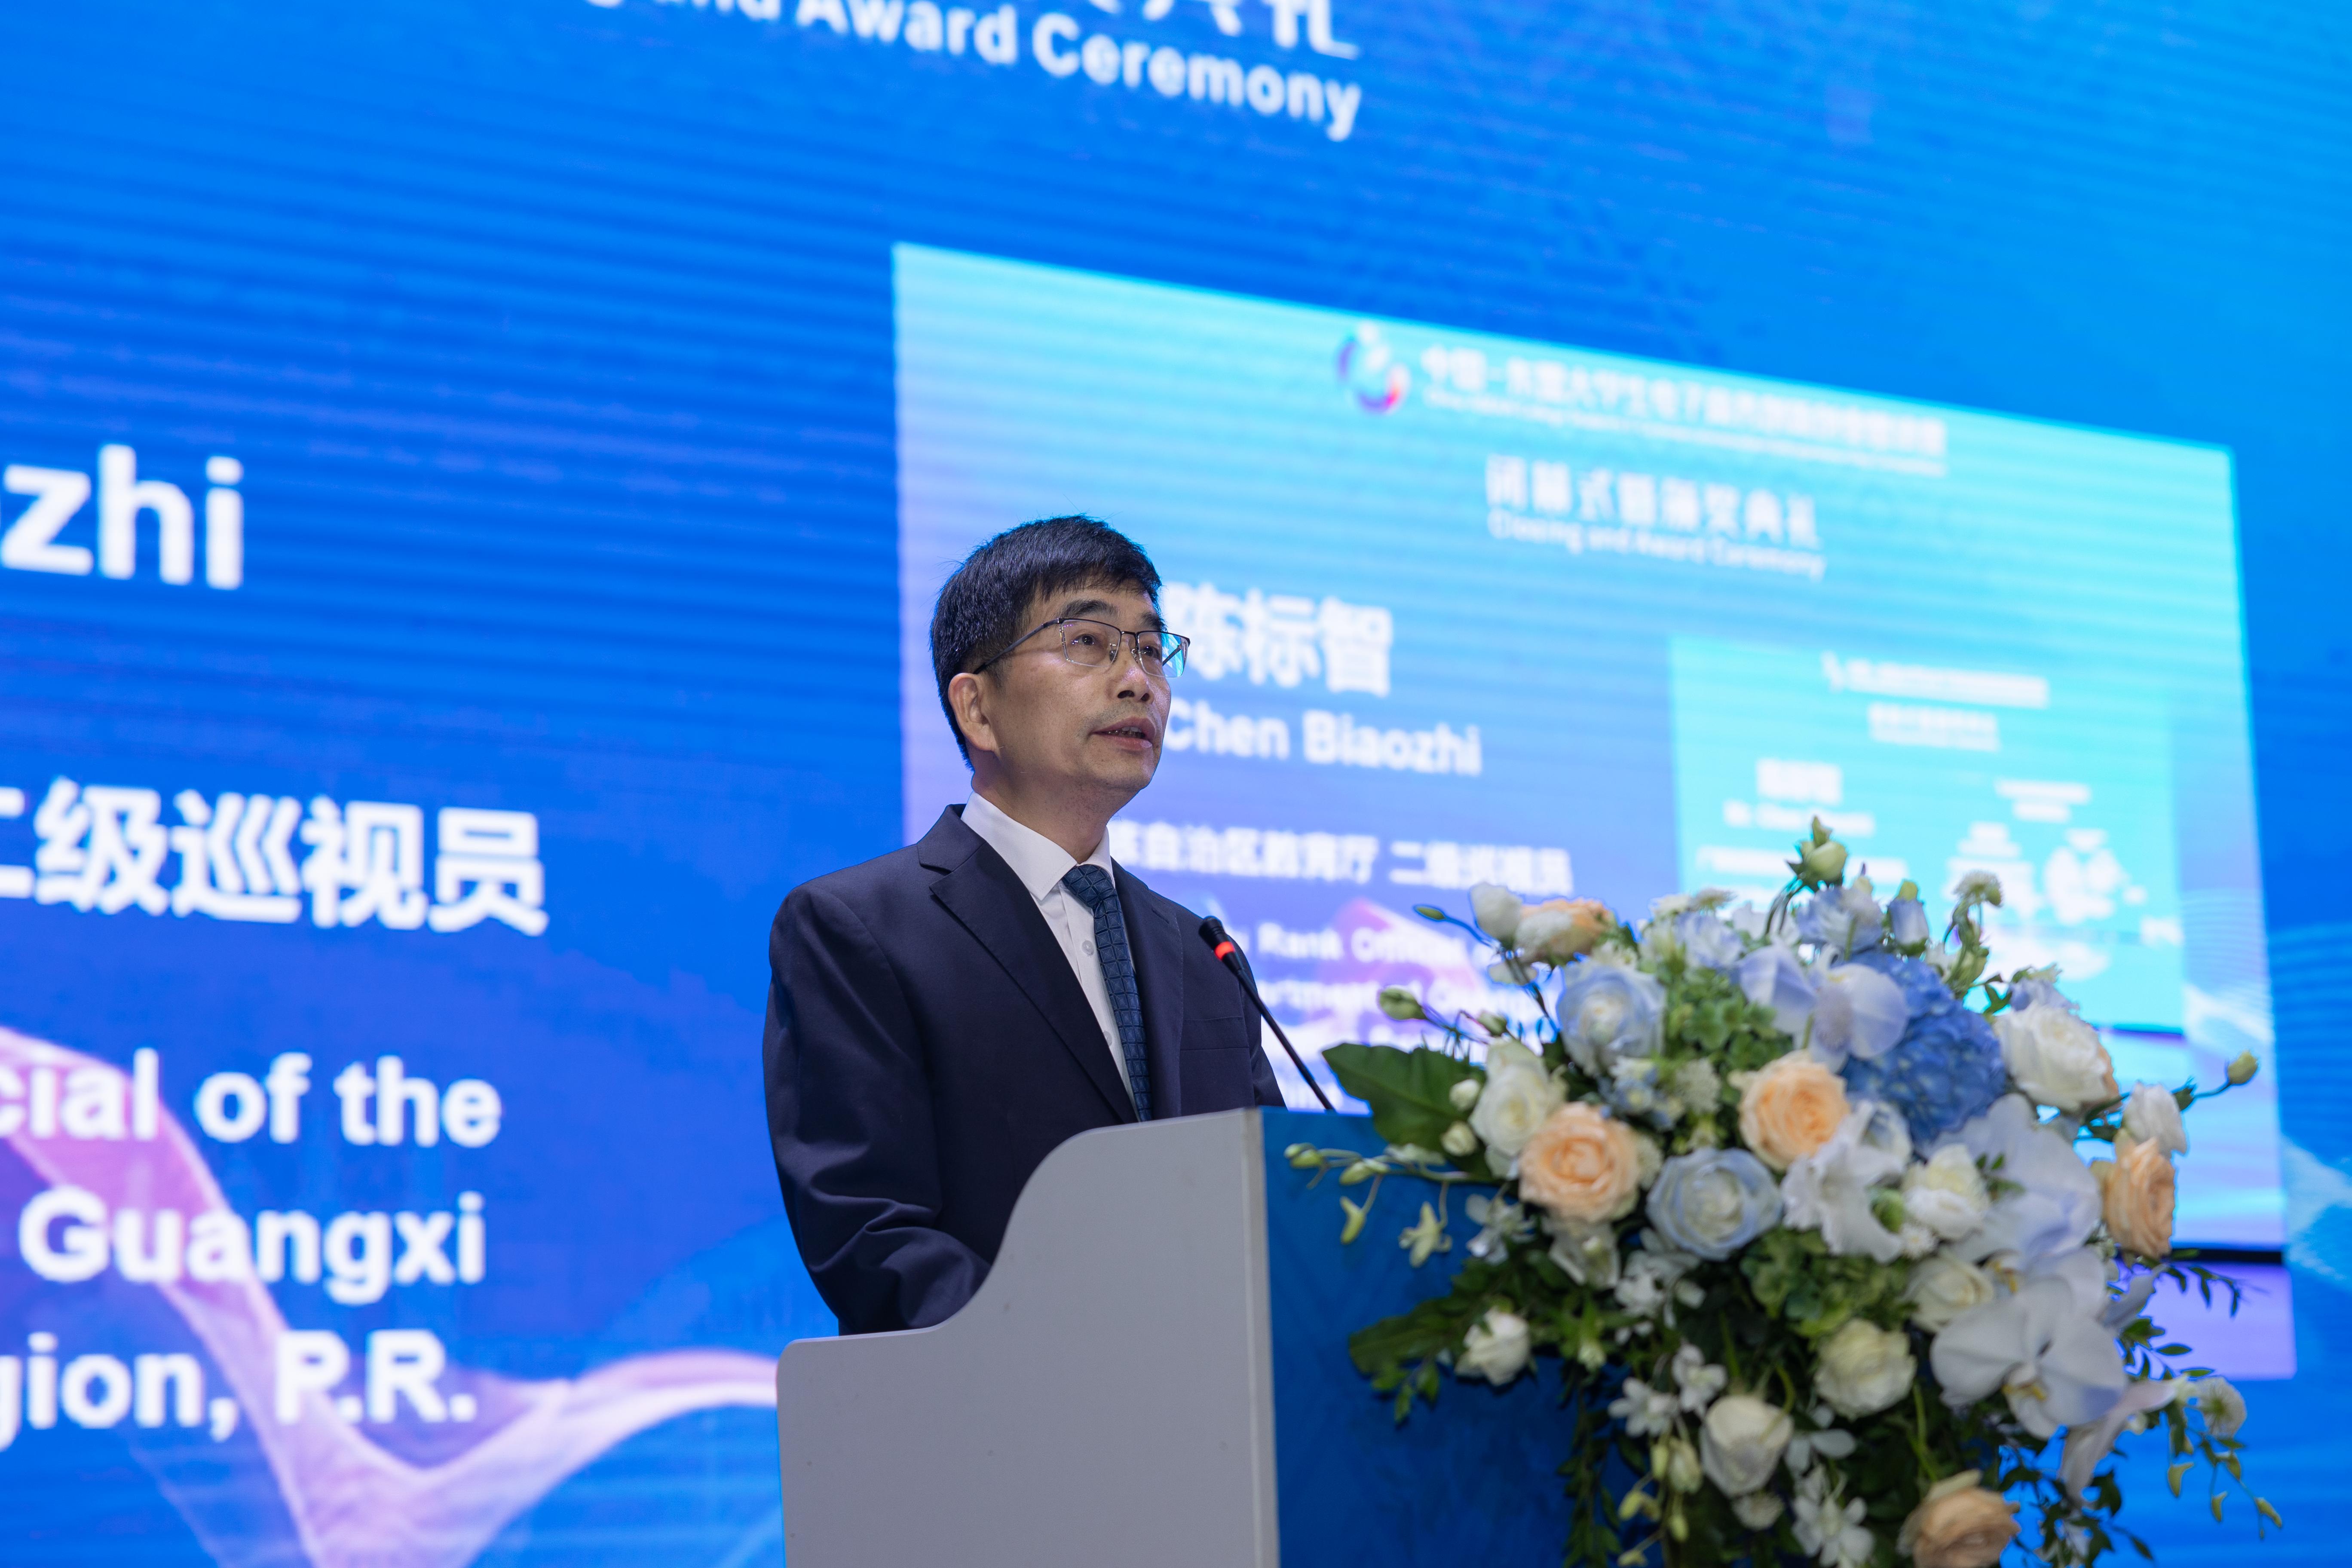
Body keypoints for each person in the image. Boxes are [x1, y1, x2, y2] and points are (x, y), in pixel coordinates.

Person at [763, 516, 1285, 1334]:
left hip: (1220, 1399)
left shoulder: (1202, 953)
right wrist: (1074, 1357)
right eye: (1088, 642)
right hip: (997, 1402)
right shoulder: (858, 930)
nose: (1138, 681)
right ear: (977, 708)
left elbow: (1278, 1213)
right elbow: (871, 1235)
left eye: (1153, 650)